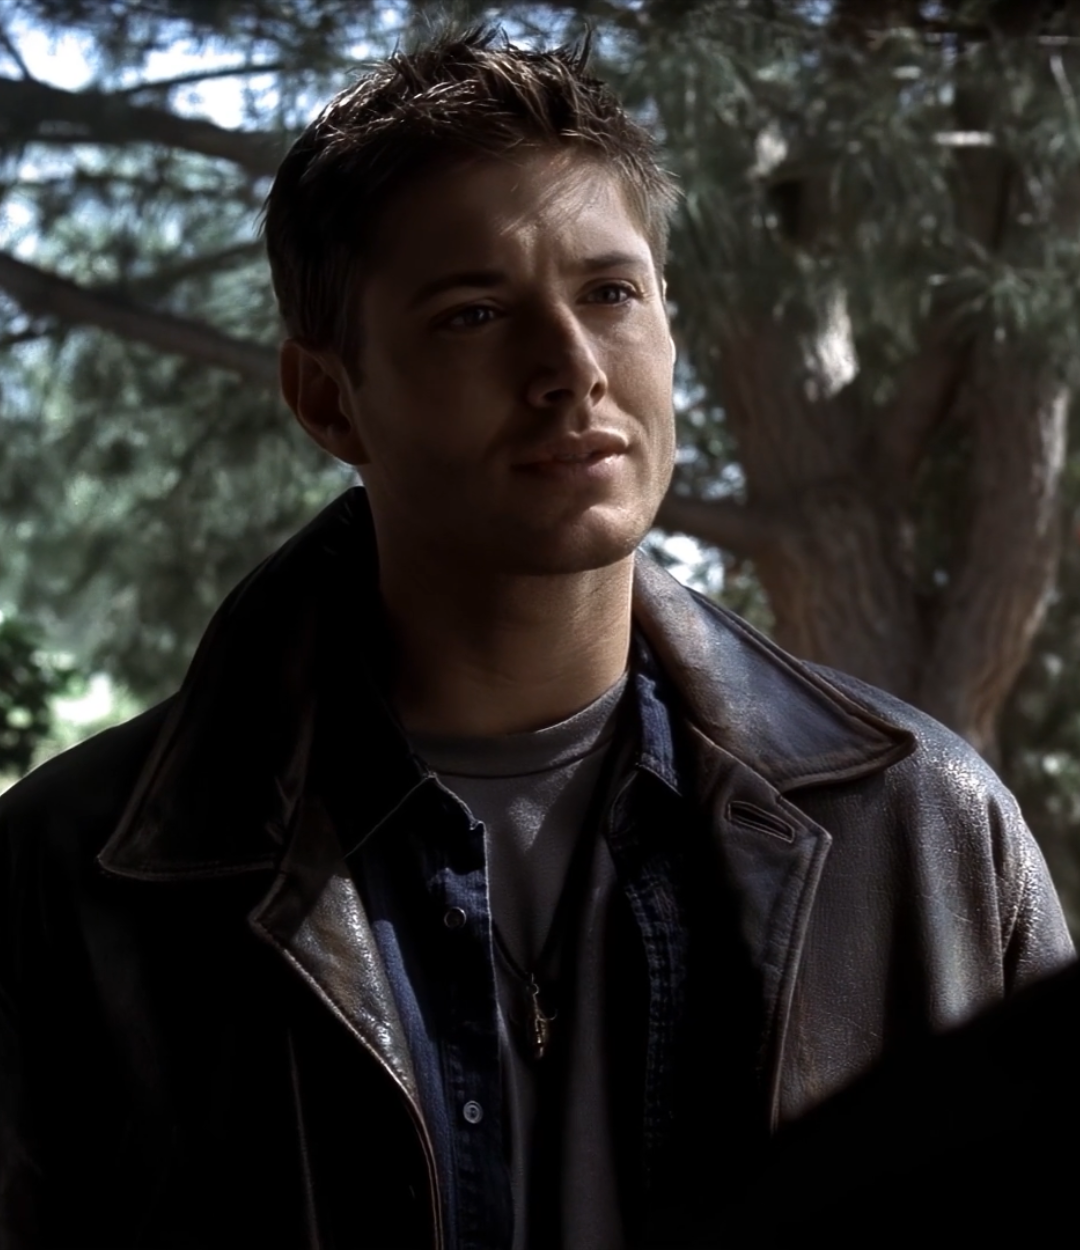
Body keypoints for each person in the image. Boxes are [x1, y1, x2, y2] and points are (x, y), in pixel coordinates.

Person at [0, 27, 1072, 1250]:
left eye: (611, 293)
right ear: (328, 399)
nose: (571, 369)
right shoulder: (79, 874)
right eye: (473, 314)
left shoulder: (924, 828)